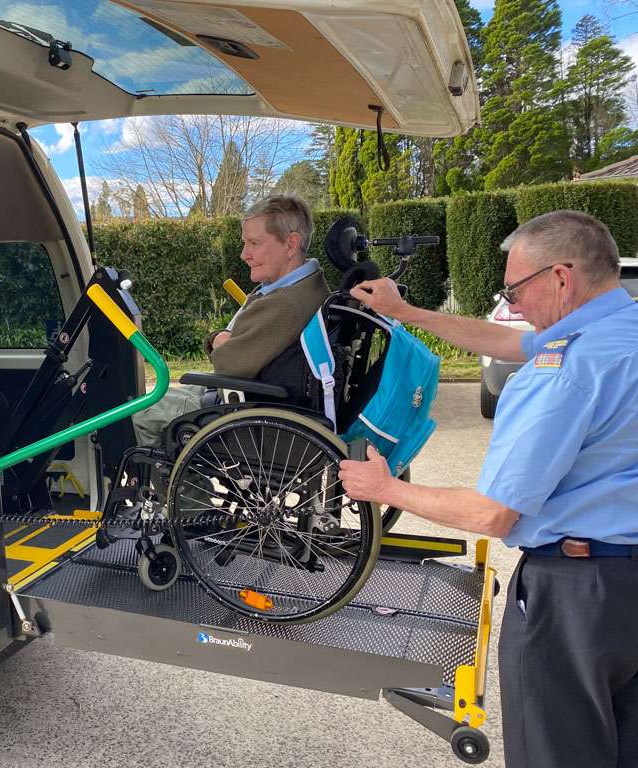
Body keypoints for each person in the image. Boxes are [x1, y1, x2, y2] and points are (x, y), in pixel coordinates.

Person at [337, 210, 638, 768]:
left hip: (579, 596)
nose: (513, 303)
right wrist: (402, 312)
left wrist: (385, 489)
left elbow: (493, 514)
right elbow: (505, 340)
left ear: (562, 278)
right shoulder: (619, 332)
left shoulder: (564, 368)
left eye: (515, 288)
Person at [132, 195, 330, 444]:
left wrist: (218, 339)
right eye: (244, 243)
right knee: (152, 401)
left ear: (290, 244)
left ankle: (184, 484)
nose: (243, 254)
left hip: (246, 412)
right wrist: (224, 340)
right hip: (259, 402)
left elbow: (227, 363)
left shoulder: (286, 302)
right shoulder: (307, 287)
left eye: (254, 243)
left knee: (138, 413)